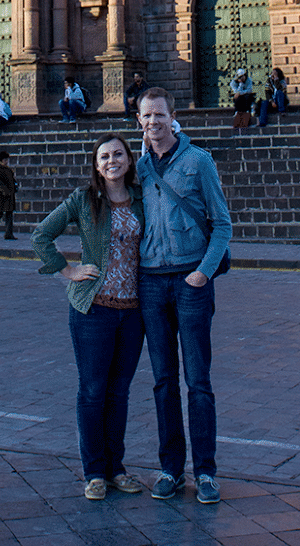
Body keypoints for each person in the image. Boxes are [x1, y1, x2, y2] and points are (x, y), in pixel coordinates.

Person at [32, 132, 147, 500]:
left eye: (117, 154)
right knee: (93, 391)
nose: (111, 161)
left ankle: (117, 468)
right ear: (96, 166)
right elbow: (41, 235)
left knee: (120, 392)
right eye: (104, 157)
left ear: (129, 160)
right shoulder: (84, 199)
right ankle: (94, 472)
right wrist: (66, 270)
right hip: (93, 310)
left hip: (132, 312)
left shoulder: (142, 199)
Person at [135, 87, 232, 505]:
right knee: (162, 382)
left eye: (160, 115)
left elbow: (223, 224)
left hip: (190, 283)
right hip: (152, 283)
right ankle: (171, 469)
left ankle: (205, 472)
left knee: (198, 381)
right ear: (139, 121)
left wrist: (202, 273)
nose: (154, 122)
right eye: (146, 116)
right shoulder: (137, 168)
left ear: (173, 116)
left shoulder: (199, 161)